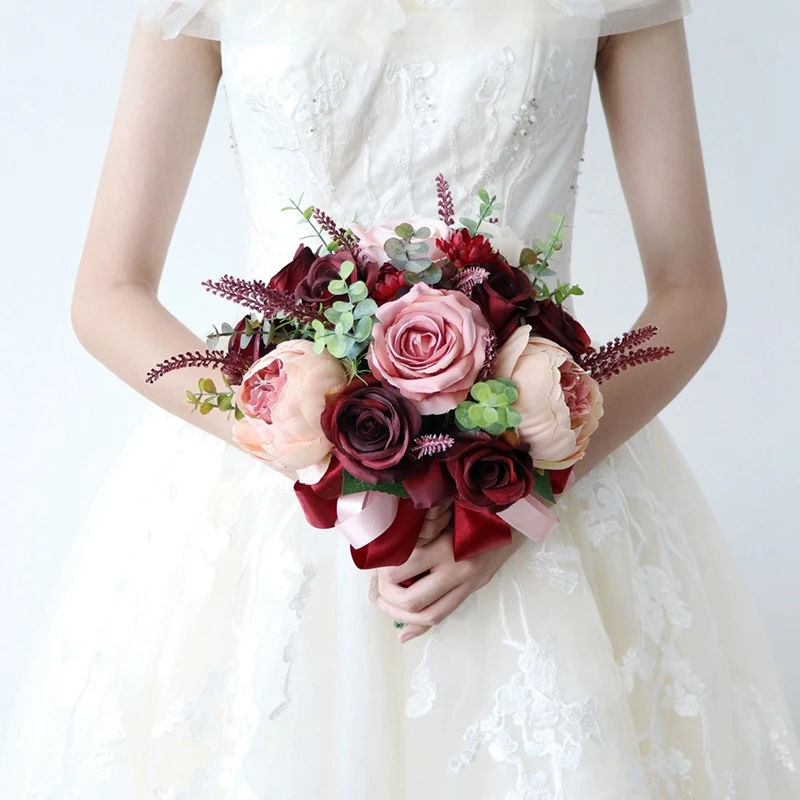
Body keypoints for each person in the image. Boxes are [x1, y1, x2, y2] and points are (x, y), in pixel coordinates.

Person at [1, 0, 798, 796]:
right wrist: (304, 439)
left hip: (545, 494)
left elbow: (690, 292)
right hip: (274, 513)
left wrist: (518, 498)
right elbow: (108, 292)